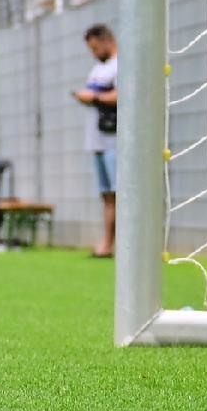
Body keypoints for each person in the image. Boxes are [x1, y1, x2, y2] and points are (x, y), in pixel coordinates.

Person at [76, 24, 121, 258]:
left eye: (95, 48)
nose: (93, 53)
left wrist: (92, 97)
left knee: (120, 193)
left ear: (106, 41)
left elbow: (123, 94)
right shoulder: (97, 69)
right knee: (107, 195)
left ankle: (122, 245)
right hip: (97, 141)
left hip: (114, 139)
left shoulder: (121, 65)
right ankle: (107, 244)